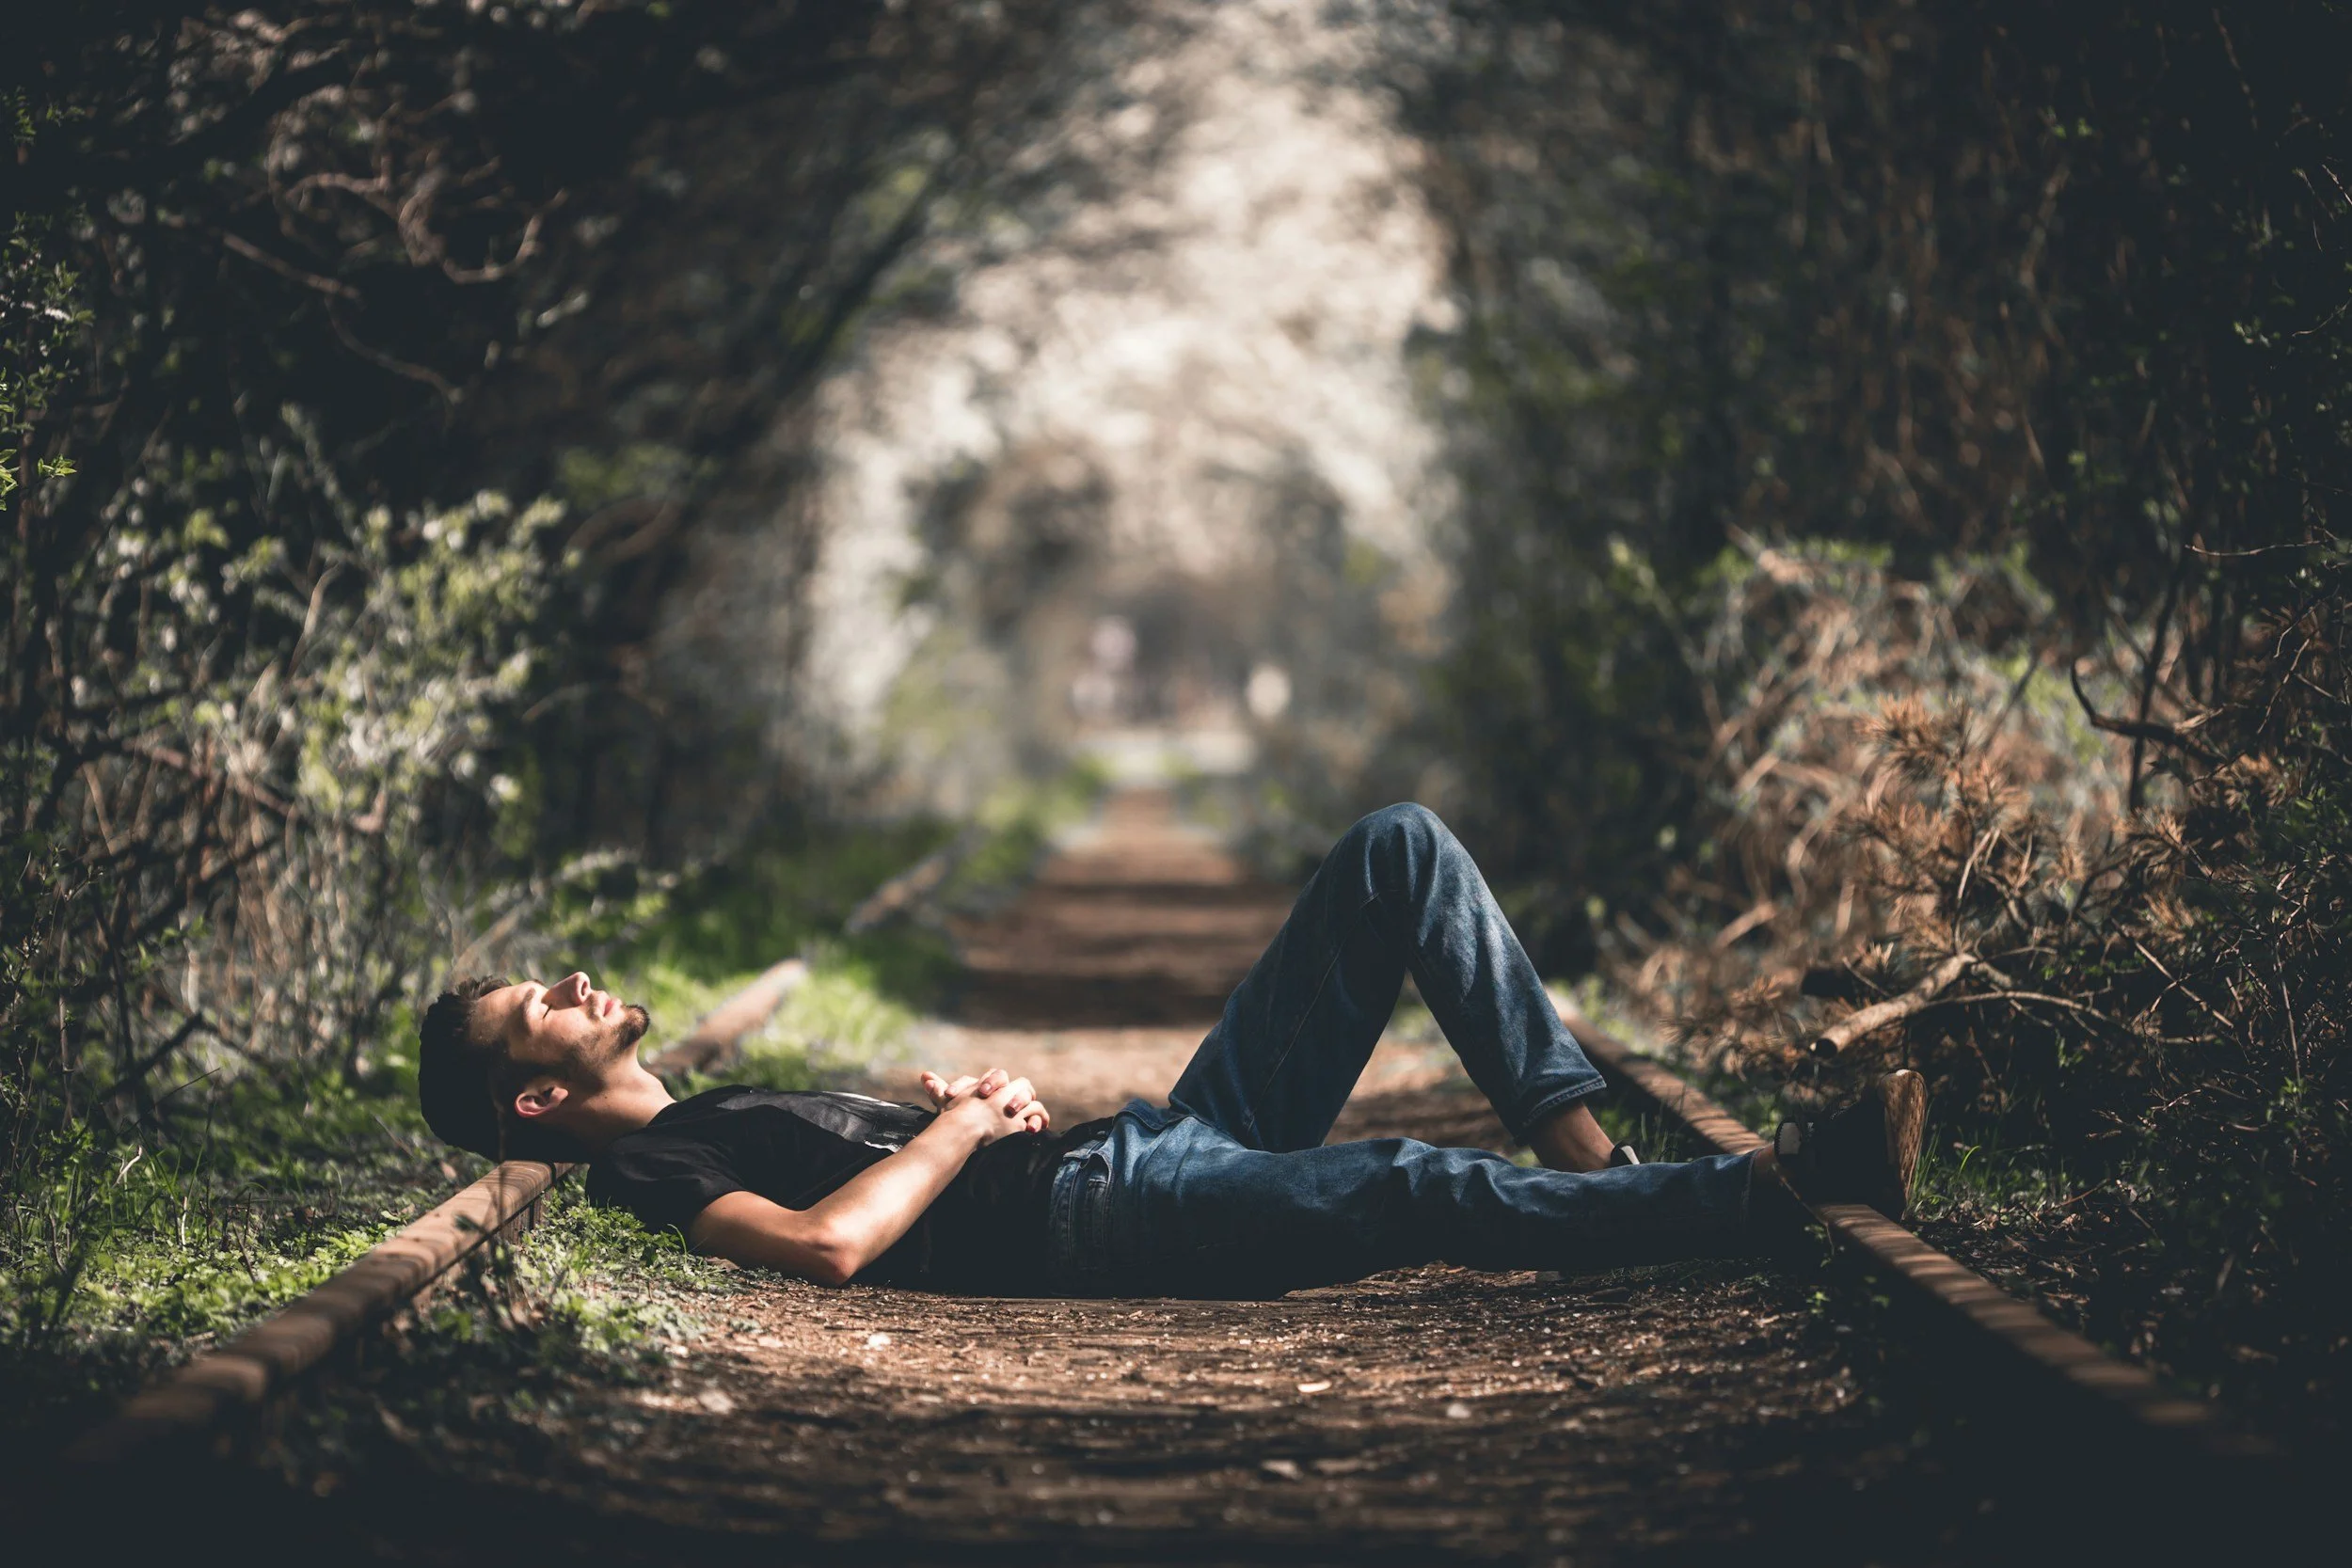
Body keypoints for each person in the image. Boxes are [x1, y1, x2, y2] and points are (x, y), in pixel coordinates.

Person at [417, 803, 1924, 1296]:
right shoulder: (652, 1167)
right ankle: (1776, 1192)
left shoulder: (710, 1105)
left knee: (1397, 851)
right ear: (537, 1095)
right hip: (1113, 1213)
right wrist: (963, 1131)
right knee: (1408, 1180)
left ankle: (1592, 1160)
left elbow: (871, 1182)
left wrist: (958, 1109)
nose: (577, 979)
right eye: (545, 1002)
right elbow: (827, 1247)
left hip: (1138, 1145)